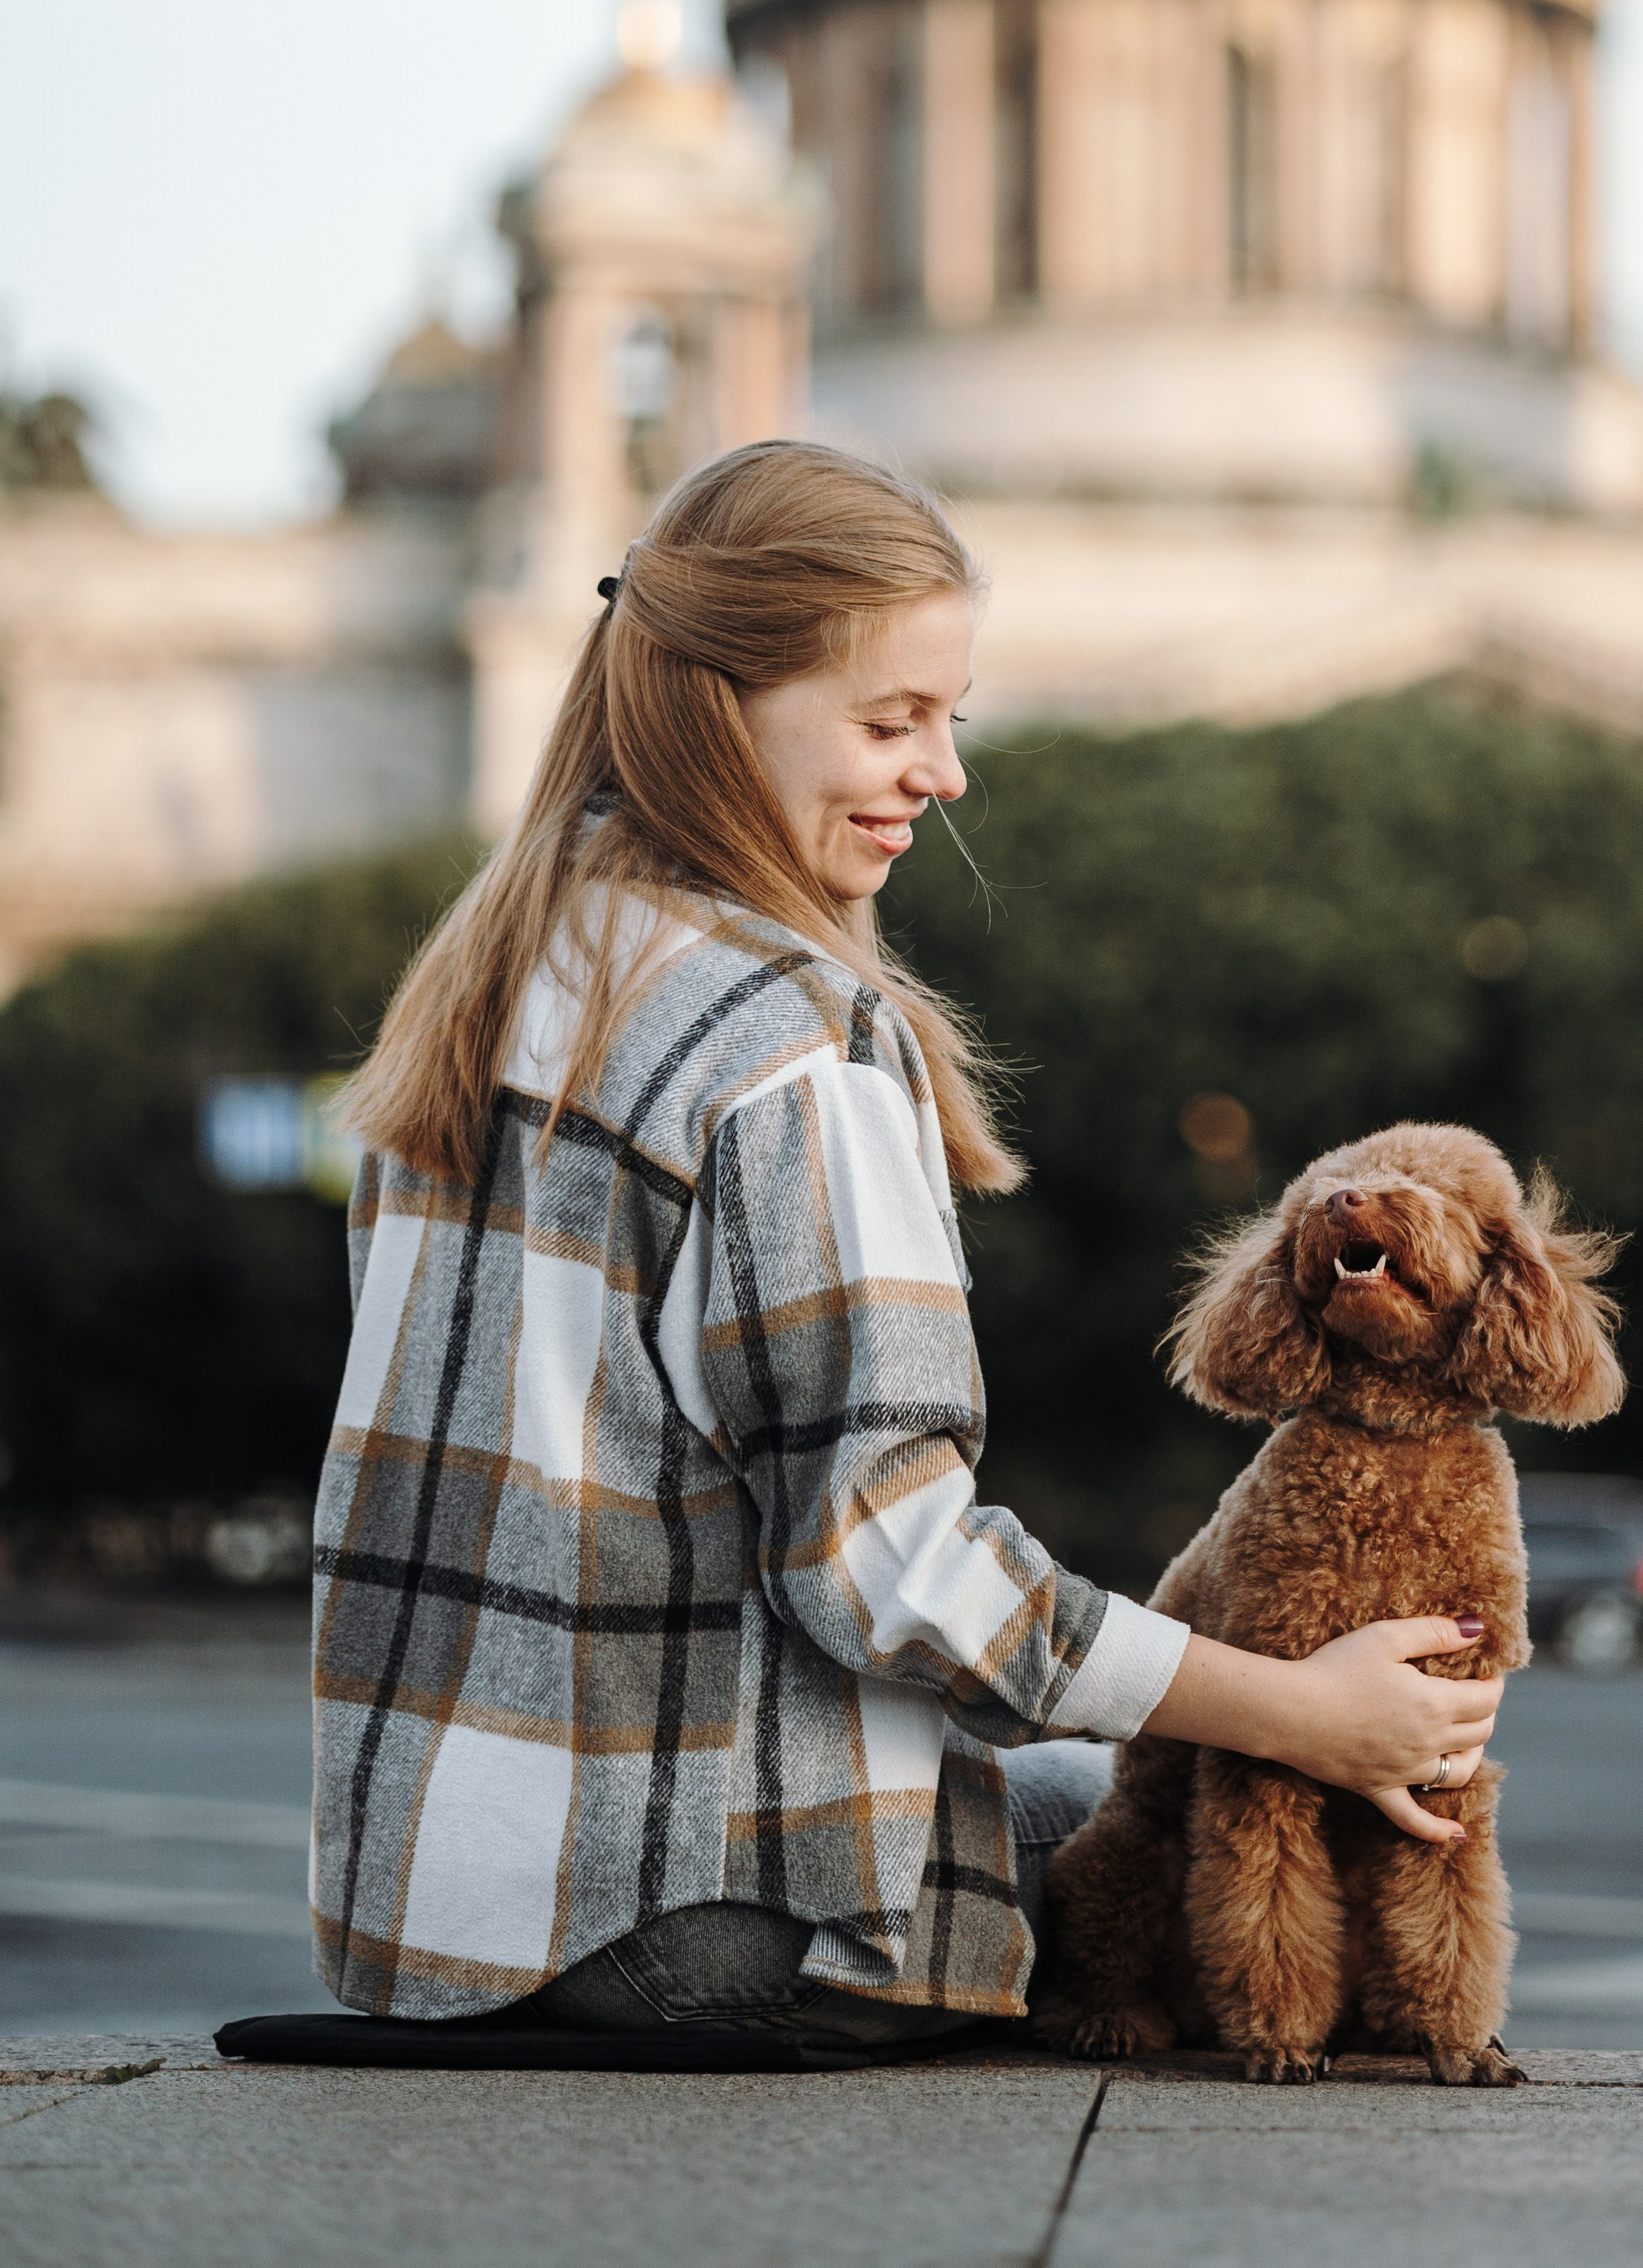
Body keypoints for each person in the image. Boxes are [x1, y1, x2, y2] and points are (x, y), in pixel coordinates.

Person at [313, 440, 1500, 2064]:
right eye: (891, 721)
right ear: (713, 703)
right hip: (695, 1917)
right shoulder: (789, 1046)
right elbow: (896, 1570)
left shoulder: (491, 981)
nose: (942, 773)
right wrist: (1299, 1706)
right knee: (1183, 1808)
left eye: (949, 717)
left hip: (430, 1916)